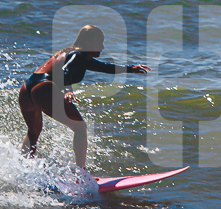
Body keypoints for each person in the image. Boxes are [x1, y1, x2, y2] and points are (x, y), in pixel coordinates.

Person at [18, 25, 148, 170]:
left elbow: (105, 67)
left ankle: (24, 168)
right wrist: (68, 90)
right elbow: (66, 70)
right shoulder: (78, 55)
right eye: (99, 43)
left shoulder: (73, 54)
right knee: (80, 128)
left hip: (26, 88)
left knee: (33, 132)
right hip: (43, 88)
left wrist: (131, 69)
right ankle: (81, 174)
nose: (102, 47)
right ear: (87, 42)